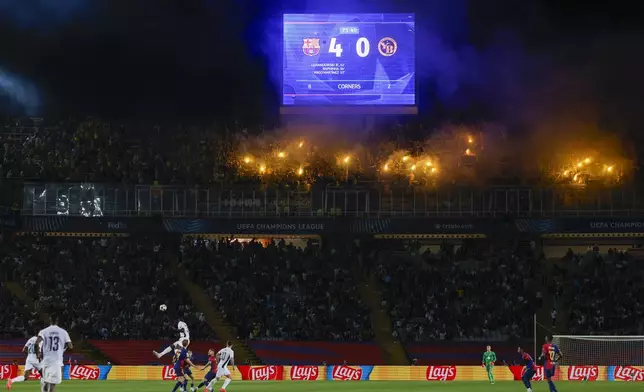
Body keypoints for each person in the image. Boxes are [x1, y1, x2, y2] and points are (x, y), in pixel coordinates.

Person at [36, 316, 72, 392]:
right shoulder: (63, 332)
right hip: (56, 361)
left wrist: (38, 353)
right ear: (57, 321)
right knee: (52, 384)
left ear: (50, 320)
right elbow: (70, 346)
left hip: (46, 361)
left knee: (45, 382)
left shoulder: (44, 331)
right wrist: (63, 350)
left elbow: (36, 343)